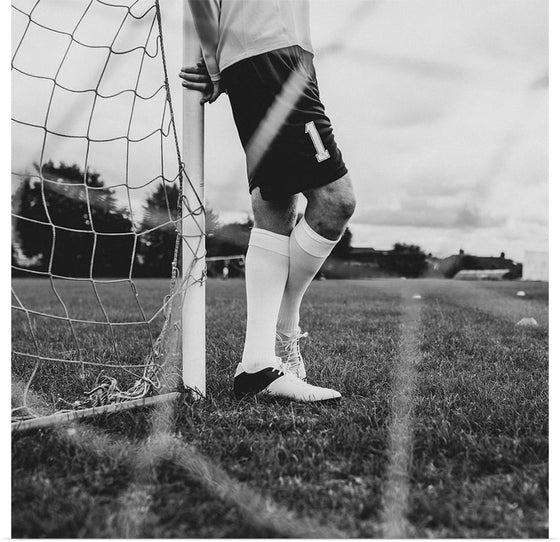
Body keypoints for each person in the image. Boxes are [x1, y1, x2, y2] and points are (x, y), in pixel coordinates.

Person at [181, 0, 356, 402]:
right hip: (265, 52)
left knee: (276, 203)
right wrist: (212, 59)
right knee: (335, 201)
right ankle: (276, 339)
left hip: (286, 52)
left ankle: (260, 362)